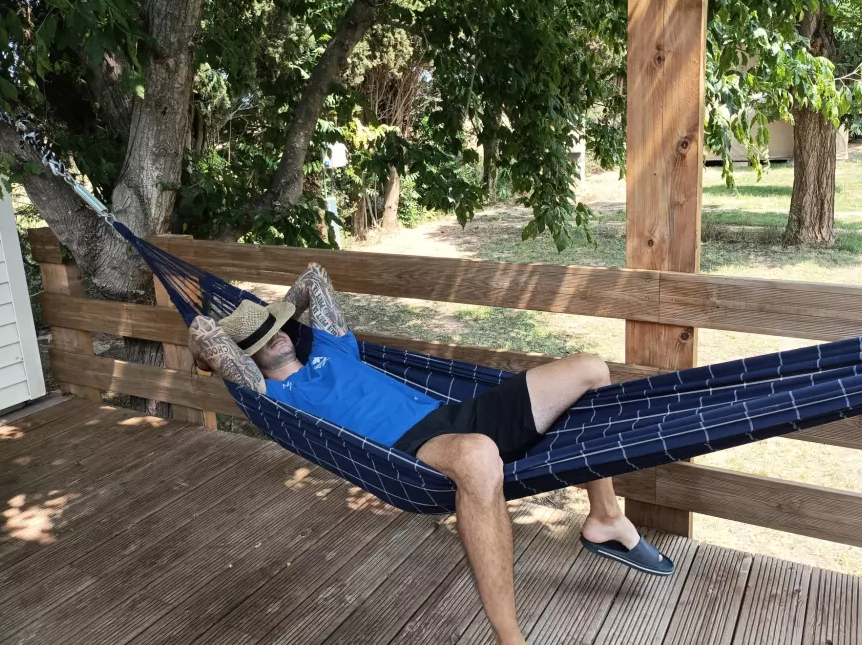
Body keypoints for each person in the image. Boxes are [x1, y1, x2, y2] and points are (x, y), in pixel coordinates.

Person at [188, 263, 674, 645]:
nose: (272, 336)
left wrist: (278, 313)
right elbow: (206, 336)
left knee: (590, 369)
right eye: (257, 339)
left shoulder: (331, 349)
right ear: (243, 359)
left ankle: (605, 517)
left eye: (273, 328)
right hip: (411, 449)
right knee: (480, 456)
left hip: (460, 412)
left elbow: (314, 278)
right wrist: (216, 339)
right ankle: (511, 638)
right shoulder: (273, 398)